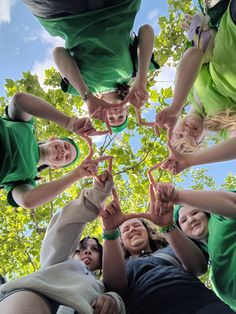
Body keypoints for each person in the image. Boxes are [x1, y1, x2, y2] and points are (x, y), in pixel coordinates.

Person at [22, 0, 159, 133]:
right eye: (121, 117)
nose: (115, 114)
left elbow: (58, 53)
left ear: (104, 114)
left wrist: (86, 96)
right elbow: (146, 30)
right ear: (126, 110)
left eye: (111, 119)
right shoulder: (134, 73)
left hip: (63, 15)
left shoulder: (81, 89)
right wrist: (141, 80)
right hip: (117, 6)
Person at [0, 170, 126, 314]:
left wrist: (112, 299)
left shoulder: (101, 286)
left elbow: (118, 298)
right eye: (81, 248)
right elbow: (64, 230)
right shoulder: (57, 261)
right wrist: (96, 195)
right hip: (35, 295)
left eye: (95, 249)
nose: (87, 251)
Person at [98, 183, 235, 314]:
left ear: (148, 232)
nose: (132, 229)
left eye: (137, 225)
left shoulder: (171, 248)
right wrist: (109, 231)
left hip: (201, 304)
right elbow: (114, 287)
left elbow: (199, 268)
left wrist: (167, 225)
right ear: (120, 240)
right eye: (126, 229)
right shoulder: (119, 265)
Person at [0, 92, 105, 209]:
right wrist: (70, 123)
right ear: (53, 139)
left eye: (67, 157)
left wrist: (78, 174)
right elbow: (19, 100)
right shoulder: (27, 125)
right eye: (65, 146)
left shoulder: (27, 180)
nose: (64, 152)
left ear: (56, 167)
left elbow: (27, 201)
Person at [156, 0, 236, 152]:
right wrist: (190, 162)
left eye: (179, 135)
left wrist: (175, 107)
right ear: (201, 141)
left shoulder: (186, 91)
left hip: (232, 31)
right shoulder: (221, 127)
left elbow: (195, 53)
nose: (187, 133)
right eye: (191, 141)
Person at [151, 181, 236, 312]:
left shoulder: (220, 218)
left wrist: (175, 196)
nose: (191, 220)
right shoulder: (210, 267)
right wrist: (166, 226)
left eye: (195, 212)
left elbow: (231, 203)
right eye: (183, 220)